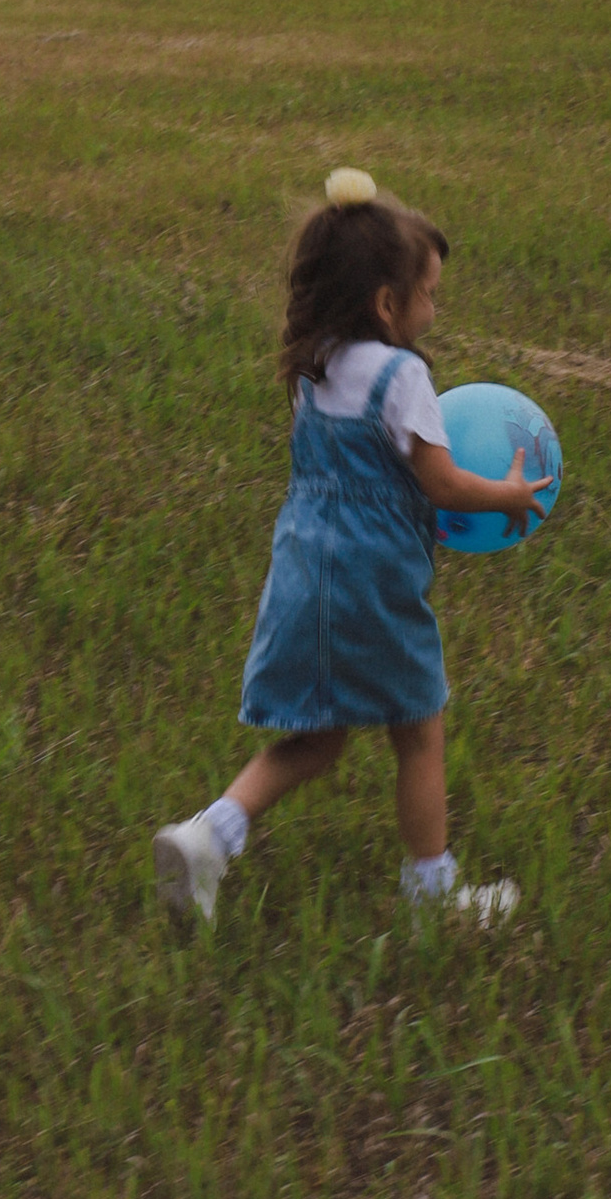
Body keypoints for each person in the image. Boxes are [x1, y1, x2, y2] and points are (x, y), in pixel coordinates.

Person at [153, 167, 550, 934]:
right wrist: (508, 494)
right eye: (430, 293)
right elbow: (439, 484)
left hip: (305, 567)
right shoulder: (401, 377)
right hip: (373, 582)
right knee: (419, 727)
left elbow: (358, 477)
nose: (436, 308)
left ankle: (210, 835)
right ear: (386, 303)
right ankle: (432, 895)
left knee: (317, 735)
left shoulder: (317, 364)